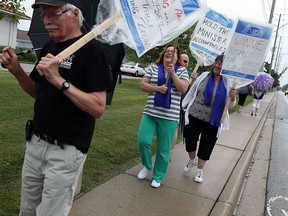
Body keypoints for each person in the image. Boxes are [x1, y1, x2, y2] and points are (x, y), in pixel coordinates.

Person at [0, 0, 112, 215]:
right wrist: (17, 71)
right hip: (35, 143)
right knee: (27, 210)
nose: (47, 22)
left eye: (54, 14)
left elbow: (98, 108)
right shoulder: (50, 48)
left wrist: (58, 79)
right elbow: (37, 91)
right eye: (45, 16)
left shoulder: (94, 52)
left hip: (66, 151)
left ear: (75, 13)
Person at [137, 44, 189, 188]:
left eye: (173, 52)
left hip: (169, 117)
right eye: (167, 51)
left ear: (177, 57)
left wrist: (173, 74)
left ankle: (158, 176)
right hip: (150, 113)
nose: (169, 53)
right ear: (163, 53)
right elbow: (143, 85)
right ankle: (147, 165)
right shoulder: (154, 67)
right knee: (143, 141)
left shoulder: (182, 71)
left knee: (163, 149)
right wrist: (157, 89)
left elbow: (183, 88)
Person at [182, 54, 236, 183]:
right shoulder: (204, 76)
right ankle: (192, 159)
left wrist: (232, 97)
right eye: (216, 62)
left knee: (207, 145)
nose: (217, 65)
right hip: (195, 115)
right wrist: (184, 106)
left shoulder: (229, 82)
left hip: (214, 120)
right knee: (189, 139)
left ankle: (199, 170)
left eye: (220, 64)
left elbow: (231, 105)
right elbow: (192, 91)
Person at [171, 53, 196, 150]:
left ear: (188, 63)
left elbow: (192, 91)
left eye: (185, 61)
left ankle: (170, 148)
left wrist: (193, 80)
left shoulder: (190, 75)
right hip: (170, 102)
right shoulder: (172, 69)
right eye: (181, 59)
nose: (183, 62)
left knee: (175, 126)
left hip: (181, 105)